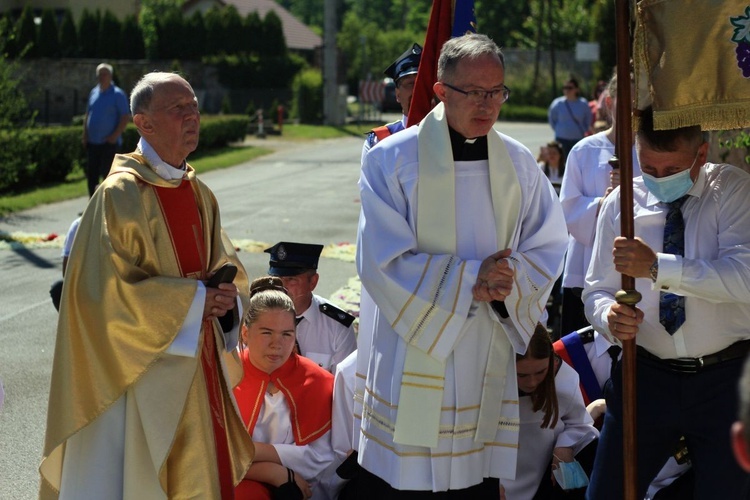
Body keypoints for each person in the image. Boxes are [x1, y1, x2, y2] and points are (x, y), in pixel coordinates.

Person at [356, 33, 568, 496]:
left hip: (483, 343)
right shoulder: (391, 160)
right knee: (409, 478)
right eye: (473, 92)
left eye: (496, 91)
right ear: (439, 91)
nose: (487, 104)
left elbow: (549, 243)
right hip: (416, 342)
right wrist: (471, 279)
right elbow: (378, 259)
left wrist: (510, 282)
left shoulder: (517, 163)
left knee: (476, 481)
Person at [40, 72, 254, 499]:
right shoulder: (119, 196)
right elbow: (104, 295)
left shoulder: (199, 192)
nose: (192, 116)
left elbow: (225, 265)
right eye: (178, 109)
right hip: (138, 375)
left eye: (194, 107)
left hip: (200, 363)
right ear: (143, 122)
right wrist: (196, 301)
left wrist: (227, 300)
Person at [583, 106, 750, 499]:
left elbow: (743, 278)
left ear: (702, 155)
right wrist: (609, 317)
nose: (656, 179)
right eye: (648, 168)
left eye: (670, 170)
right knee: (608, 492)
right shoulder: (623, 202)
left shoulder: (732, 190)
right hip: (645, 376)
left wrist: (659, 267)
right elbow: (595, 290)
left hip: (725, 379)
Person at [234, 276, 334, 500]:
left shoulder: (319, 382)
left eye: (286, 334)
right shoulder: (225, 377)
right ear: (245, 333)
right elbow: (208, 453)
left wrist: (253, 450)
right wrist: (273, 472)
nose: (276, 344)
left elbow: (320, 457)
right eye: (266, 332)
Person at [559, 74, 642, 336]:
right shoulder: (585, 150)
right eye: (627, 102)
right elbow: (568, 209)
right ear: (609, 102)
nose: (633, 111)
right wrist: (604, 203)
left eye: (640, 103)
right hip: (584, 266)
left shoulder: (651, 152)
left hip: (635, 267)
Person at [501, 324, 598, 500]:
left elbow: (578, 423)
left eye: (540, 372)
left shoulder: (563, 379)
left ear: (553, 361)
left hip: (545, 477)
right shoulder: (487, 383)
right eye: (521, 375)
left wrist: (565, 445)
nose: (531, 382)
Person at [265, 241, 356, 373]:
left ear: (313, 282)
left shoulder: (337, 327)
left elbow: (345, 385)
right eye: (276, 278)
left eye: (291, 279)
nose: (281, 287)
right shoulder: (256, 318)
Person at [362, 43, 422, 161]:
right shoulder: (379, 140)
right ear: (398, 94)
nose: (417, 90)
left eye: (422, 82)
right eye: (410, 84)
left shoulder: (450, 136)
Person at [82, 63, 131, 197]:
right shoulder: (94, 92)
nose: (101, 77)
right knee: (92, 175)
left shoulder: (117, 94)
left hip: (109, 143)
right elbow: (88, 114)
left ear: (110, 76)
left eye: (104, 74)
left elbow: (125, 116)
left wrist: (114, 136)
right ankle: (92, 204)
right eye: (99, 74)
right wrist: (85, 135)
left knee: (109, 176)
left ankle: (108, 205)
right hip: (93, 142)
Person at [548, 78, 591, 156]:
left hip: (577, 139)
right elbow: (552, 119)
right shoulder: (557, 103)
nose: (567, 90)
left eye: (570, 88)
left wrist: (584, 130)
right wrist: (559, 130)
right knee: (561, 163)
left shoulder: (583, 104)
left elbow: (588, 120)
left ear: (577, 89)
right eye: (565, 88)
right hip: (561, 139)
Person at [49, 216, 81, 311]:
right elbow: (66, 273)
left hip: (113, 283)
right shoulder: (78, 225)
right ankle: (71, 324)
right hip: (85, 282)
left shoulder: (121, 223)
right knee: (58, 289)